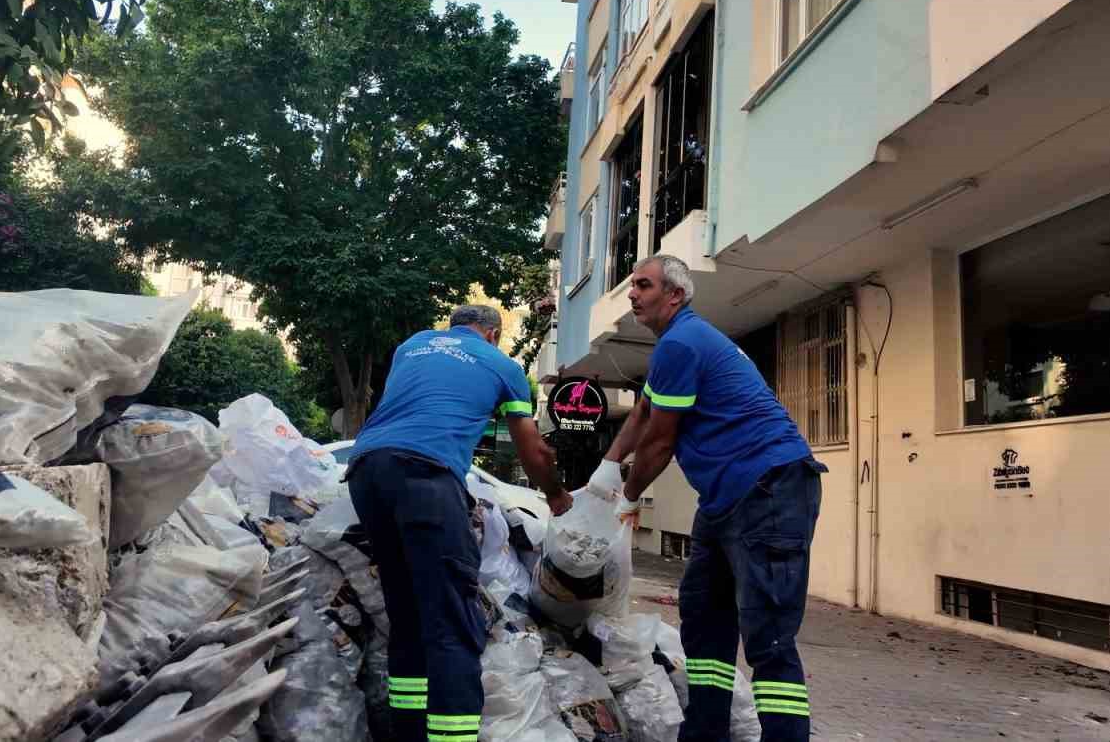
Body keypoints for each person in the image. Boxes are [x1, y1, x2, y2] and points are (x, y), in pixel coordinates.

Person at [589, 255, 825, 742]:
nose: (632, 294)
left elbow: (660, 439)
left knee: (769, 635)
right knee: (705, 618)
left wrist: (629, 498)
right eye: (632, 286)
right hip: (728, 500)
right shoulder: (678, 345)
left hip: (770, 490)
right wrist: (605, 471)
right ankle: (706, 732)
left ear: (674, 295)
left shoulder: (682, 343)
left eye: (643, 285)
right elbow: (643, 414)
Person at [346, 304, 573, 742]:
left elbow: (412, 402)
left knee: (406, 616)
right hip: (426, 475)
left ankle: (407, 733)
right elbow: (532, 450)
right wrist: (556, 495)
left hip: (367, 470)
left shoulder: (411, 346)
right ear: (492, 334)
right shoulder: (502, 365)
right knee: (451, 621)